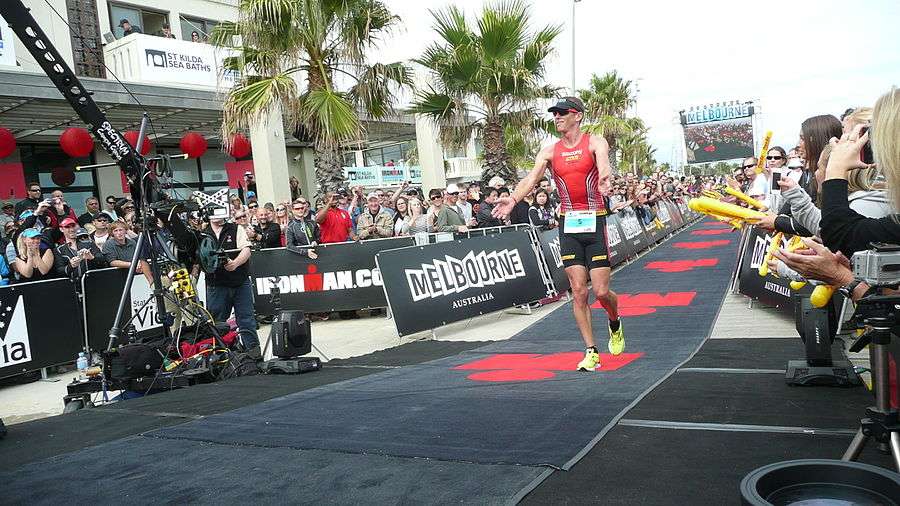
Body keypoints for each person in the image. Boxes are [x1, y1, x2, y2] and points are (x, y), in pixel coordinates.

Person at [492, 96, 624, 371]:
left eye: (562, 112)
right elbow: (531, 179)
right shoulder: (550, 151)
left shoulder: (595, 141)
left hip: (595, 221)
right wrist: (513, 200)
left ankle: (614, 320)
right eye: (554, 113)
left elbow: (604, 162)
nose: (556, 117)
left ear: (577, 116)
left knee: (601, 292)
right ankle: (591, 350)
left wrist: (604, 177)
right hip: (568, 224)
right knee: (578, 291)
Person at [205, 212, 259, 356]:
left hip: (240, 282)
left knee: (247, 320)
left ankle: (254, 356)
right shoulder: (203, 233)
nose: (216, 214)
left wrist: (235, 263)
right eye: (212, 211)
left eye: (218, 210)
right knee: (217, 323)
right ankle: (220, 357)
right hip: (216, 285)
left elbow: (247, 250)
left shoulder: (236, 228)